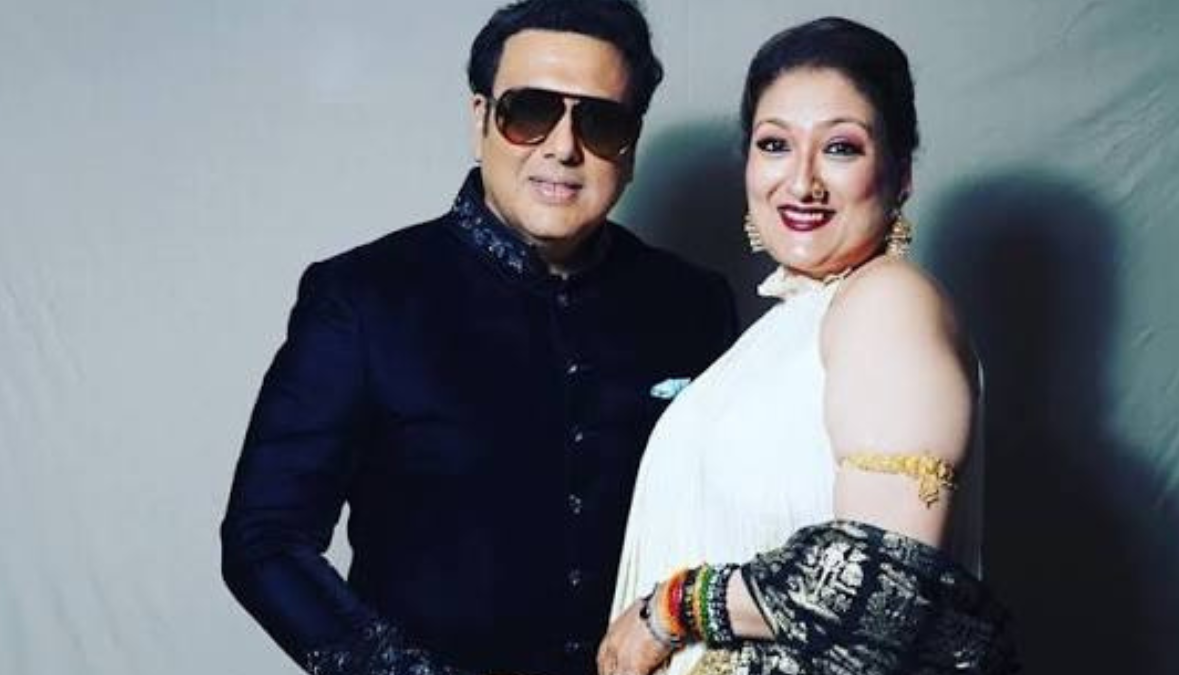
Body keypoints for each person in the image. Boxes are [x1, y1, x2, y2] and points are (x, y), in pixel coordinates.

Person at [219, 2, 739, 674]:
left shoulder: (694, 303)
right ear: (480, 121)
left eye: (600, 121)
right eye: (530, 111)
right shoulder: (362, 296)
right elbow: (265, 537)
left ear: (630, 147)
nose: (563, 147)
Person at [599, 16, 1017, 675]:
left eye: (841, 148)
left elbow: (882, 585)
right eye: (774, 144)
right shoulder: (789, 325)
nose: (801, 182)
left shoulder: (888, 302)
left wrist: (673, 606)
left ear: (901, 173)